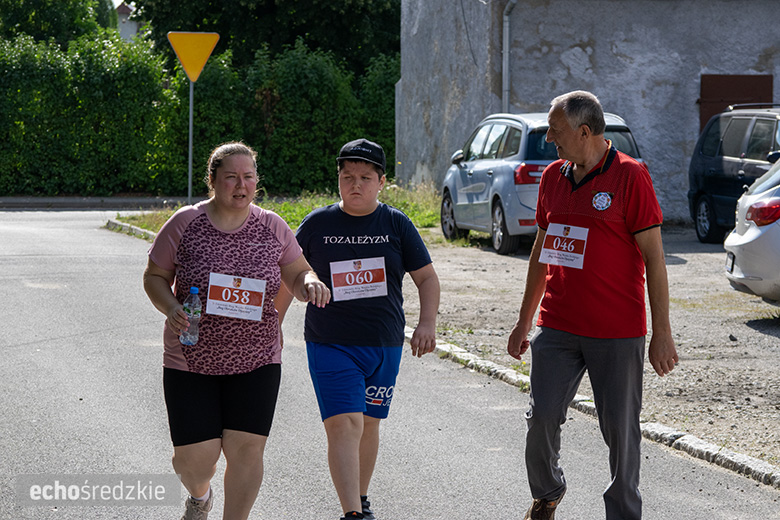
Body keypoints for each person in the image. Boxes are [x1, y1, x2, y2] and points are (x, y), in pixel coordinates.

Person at [506, 91, 679, 520]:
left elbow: (655, 260)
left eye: (556, 130)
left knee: (620, 434)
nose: (549, 138)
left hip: (617, 330)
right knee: (542, 418)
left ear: (585, 132)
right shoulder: (551, 178)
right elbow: (541, 254)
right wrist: (524, 320)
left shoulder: (630, 177)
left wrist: (662, 333)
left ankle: (623, 513)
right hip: (559, 324)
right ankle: (547, 492)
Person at [142, 142, 330, 520]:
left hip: (257, 357)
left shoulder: (272, 225)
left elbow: (296, 271)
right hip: (191, 357)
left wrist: (309, 282)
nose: (240, 185)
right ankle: (200, 496)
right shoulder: (184, 223)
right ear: (212, 181)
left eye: (248, 177)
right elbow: (155, 277)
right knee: (194, 462)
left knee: (247, 451)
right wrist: (171, 306)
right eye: (231, 177)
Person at [279, 138, 440, 520]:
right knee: (345, 424)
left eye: (365, 177)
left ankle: (360, 499)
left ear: (381, 182)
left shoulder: (396, 223)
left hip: (384, 343)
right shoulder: (318, 223)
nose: (355, 184)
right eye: (347, 176)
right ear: (337, 178)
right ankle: (353, 514)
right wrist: (274, 325)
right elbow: (290, 274)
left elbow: (427, 278)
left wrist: (427, 323)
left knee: (368, 424)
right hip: (331, 342)